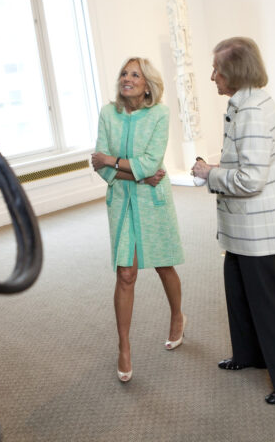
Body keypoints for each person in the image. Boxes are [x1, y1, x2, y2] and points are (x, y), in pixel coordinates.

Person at [191, 37, 275, 404]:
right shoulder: (241, 104)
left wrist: (209, 173)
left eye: (217, 69)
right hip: (242, 226)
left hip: (257, 226)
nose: (212, 75)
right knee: (240, 291)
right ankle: (250, 354)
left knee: (268, 301)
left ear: (235, 71)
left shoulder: (254, 112)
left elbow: (251, 179)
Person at [91, 57, 186, 383]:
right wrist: (136, 175)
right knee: (126, 273)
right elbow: (99, 164)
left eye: (135, 75)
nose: (127, 79)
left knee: (163, 265)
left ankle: (177, 316)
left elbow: (150, 161)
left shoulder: (159, 114)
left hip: (152, 202)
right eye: (123, 74)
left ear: (148, 85)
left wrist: (115, 162)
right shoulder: (108, 113)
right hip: (122, 201)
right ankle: (124, 346)